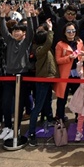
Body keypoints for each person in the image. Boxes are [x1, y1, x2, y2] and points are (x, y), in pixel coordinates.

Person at [0, 1, 34, 141]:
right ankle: (7, 126)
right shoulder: (9, 41)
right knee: (6, 102)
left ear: (23, 33)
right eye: (14, 31)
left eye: (19, 31)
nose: (16, 32)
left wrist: (28, 15)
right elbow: (3, 31)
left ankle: (17, 127)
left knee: (20, 102)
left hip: (22, 75)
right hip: (9, 75)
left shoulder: (26, 42)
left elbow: (31, 32)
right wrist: (2, 15)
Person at [27, 18, 57, 147]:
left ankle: (47, 119)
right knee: (38, 106)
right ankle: (32, 132)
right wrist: (50, 30)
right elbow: (49, 42)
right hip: (42, 80)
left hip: (47, 79)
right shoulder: (39, 50)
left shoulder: (40, 49)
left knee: (46, 102)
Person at [54, 21, 84, 123]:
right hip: (65, 74)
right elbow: (58, 60)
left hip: (77, 72)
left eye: (73, 31)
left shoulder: (79, 41)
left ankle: (79, 116)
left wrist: (83, 56)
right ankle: (60, 117)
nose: (71, 33)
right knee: (62, 97)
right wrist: (69, 57)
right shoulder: (60, 44)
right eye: (69, 31)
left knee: (78, 96)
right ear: (64, 32)